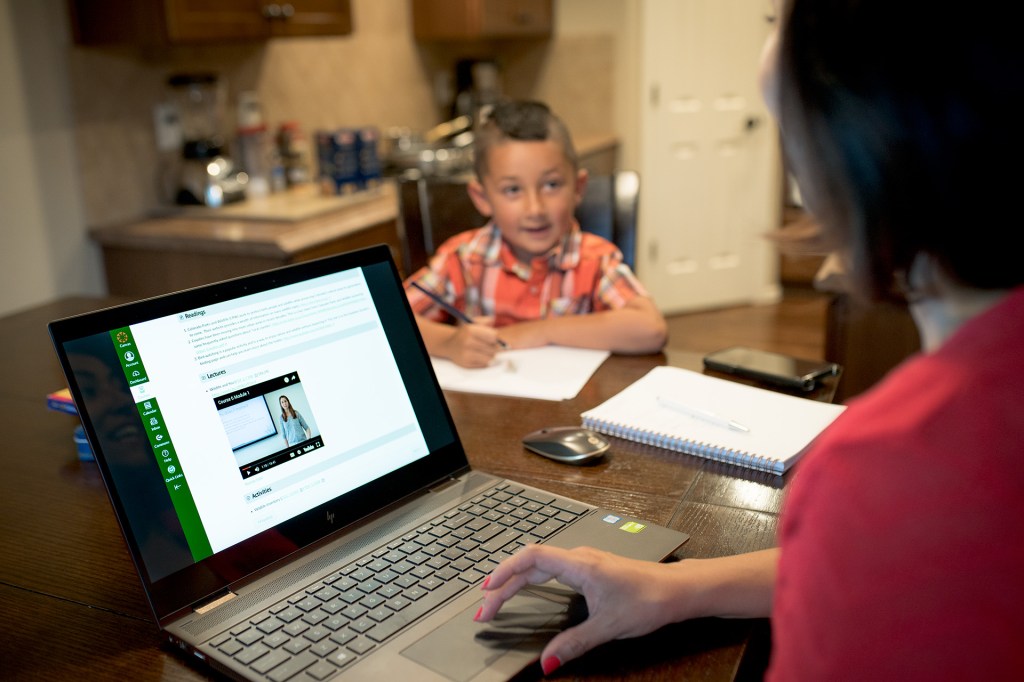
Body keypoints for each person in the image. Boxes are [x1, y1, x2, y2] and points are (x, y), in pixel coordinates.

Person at [474, 0, 1024, 678]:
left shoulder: (887, 471)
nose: (765, 60)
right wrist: (677, 588)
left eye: (776, 22)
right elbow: (884, 560)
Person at [403, 99, 667, 368]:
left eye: (551, 185)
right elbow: (392, 318)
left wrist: (539, 331)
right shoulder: (462, 258)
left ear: (578, 188)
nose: (535, 209)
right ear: (481, 198)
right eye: (513, 190)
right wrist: (449, 343)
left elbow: (650, 329)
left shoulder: (594, 260)